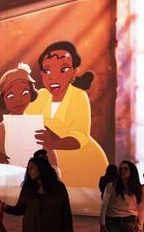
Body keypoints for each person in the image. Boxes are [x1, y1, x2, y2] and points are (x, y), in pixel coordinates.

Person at [25, 41, 108, 188]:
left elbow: (79, 136)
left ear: (74, 71)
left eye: (63, 70)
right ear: (42, 74)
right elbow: (26, 126)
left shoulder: (78, 96)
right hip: (49, 168)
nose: (54, 77)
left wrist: (53, 144)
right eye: (47, 71)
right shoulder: (40, 97)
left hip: (83, 165)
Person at [0, 63, 58, 169]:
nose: (18, 100)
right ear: (3, 99)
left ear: (31, 94)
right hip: (8, 177)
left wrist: (53, 175)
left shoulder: (37, 127)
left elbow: (51, 156)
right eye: (11, 96)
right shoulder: (0, 129)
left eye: (24, 93)